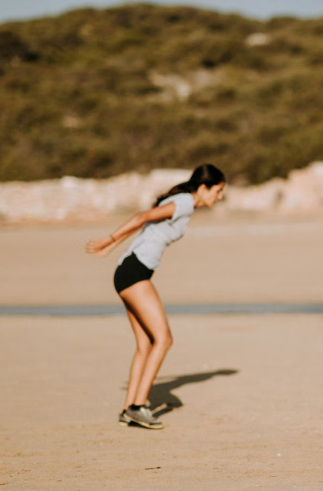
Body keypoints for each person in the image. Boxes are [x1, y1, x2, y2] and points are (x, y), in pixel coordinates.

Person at [85, 164, 226, 429]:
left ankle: (129, 409)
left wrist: (112, 245)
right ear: (204, 187)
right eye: (217, 191)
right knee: (163, 339)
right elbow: (142, 217)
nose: (218, 197)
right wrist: (109, 240)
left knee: (146, 344)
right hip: (135, 272)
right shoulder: (184, 202)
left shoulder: (181, 202)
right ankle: (138, 407)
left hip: (129, 271)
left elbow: (145, 222)